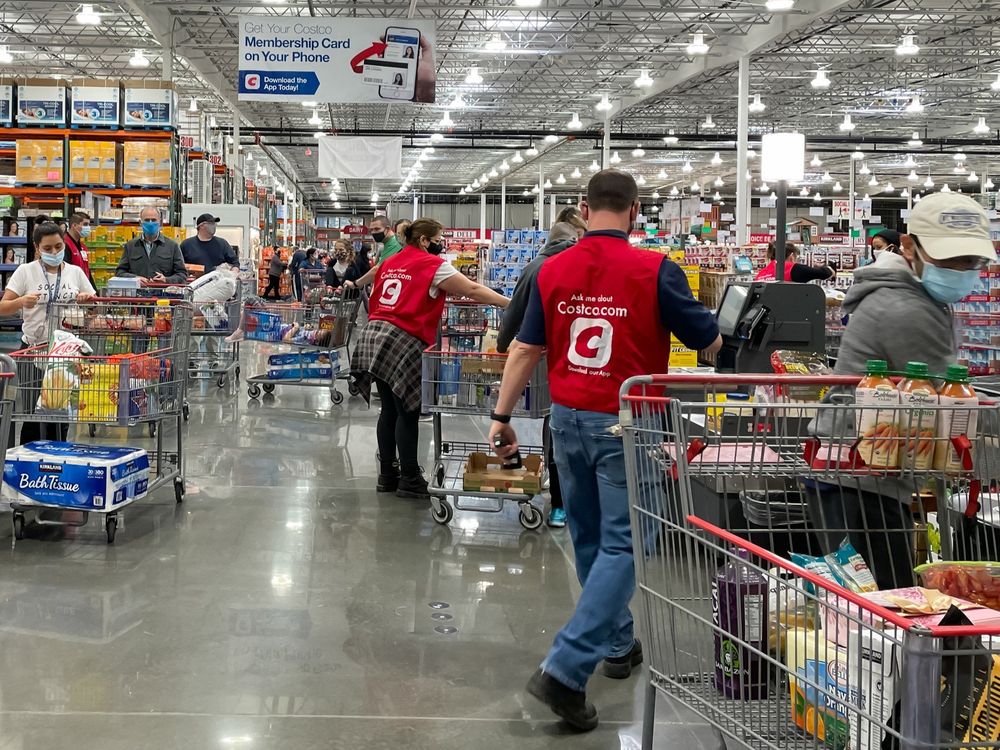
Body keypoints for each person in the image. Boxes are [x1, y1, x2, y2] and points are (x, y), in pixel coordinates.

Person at [487, 170, 721, 732]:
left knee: (591, 536)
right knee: (633, 541)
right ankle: (566, 670)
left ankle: (617, 643)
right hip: (629, 422)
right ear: (635, 211)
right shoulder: (657, 269)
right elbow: (708, 341)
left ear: (583, 209)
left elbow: (524, 347)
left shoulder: (551, 269)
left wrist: (501, 416)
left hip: (566, 420)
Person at [808, 192, 997, 589]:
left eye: (973, 262)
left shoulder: (915, 296)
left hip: (860, 469)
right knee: (886, 613)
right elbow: (952, 402)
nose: (964, 271)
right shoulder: (906, 309)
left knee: (867, 609)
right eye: (951, 260)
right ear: (909, 247)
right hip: (861, 476)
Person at [350, 218, 509, 498]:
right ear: (424, 240)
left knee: (388, 410)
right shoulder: (432, 266)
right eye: (439, 237)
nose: (442, 242)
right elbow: (471, 289)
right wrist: (511, 302)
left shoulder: (391, 262)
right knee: (407, 413)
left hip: (372, 335)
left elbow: (375, 292)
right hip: (401, 339)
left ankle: (387, 475)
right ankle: (410, 478)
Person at [496, 219, 584, 529]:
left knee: (555, 426)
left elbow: (515, 313)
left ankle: (560, 503)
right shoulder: (581, 265)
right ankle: (565, 502)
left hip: (548, 360)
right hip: (585, 363)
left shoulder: (537, 267)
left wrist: (501, 346)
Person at [0, 220, 96, 445]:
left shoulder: (75, 272)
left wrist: (86, 301)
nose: (54, 252)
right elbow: (3, 307)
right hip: (34, 350)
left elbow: (94, 308)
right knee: (35, 411)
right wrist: (21, 301)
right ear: (37, 249)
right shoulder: (26, 271)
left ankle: (58, 455)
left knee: (61, 411)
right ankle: (30, 459)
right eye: (48, 248)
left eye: (59, 247)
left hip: (66, 353)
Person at [115, 207, 187, 284]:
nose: (150, 223)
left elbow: (182, 275)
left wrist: (166, 280)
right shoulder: (130, 246)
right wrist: (135, 278)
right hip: (138, 293)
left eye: (153, 220)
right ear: (140, 223)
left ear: (160, 222)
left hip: (163, 294)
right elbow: (119, 272)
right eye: (146, 220)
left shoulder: (172, 246)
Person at [755, 241, 837, 282]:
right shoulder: (792, 269)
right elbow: (824, 273)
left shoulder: (761, 273)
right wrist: (829, 268)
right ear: (791, 256)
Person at [63, 211, 94, 286]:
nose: (88, 228)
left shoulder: (83, 246)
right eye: (85, 224)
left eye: (89, 225)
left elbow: (87, 271)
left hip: (83, 289)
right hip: (71, 289)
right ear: (74, 225)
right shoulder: (64, 244)